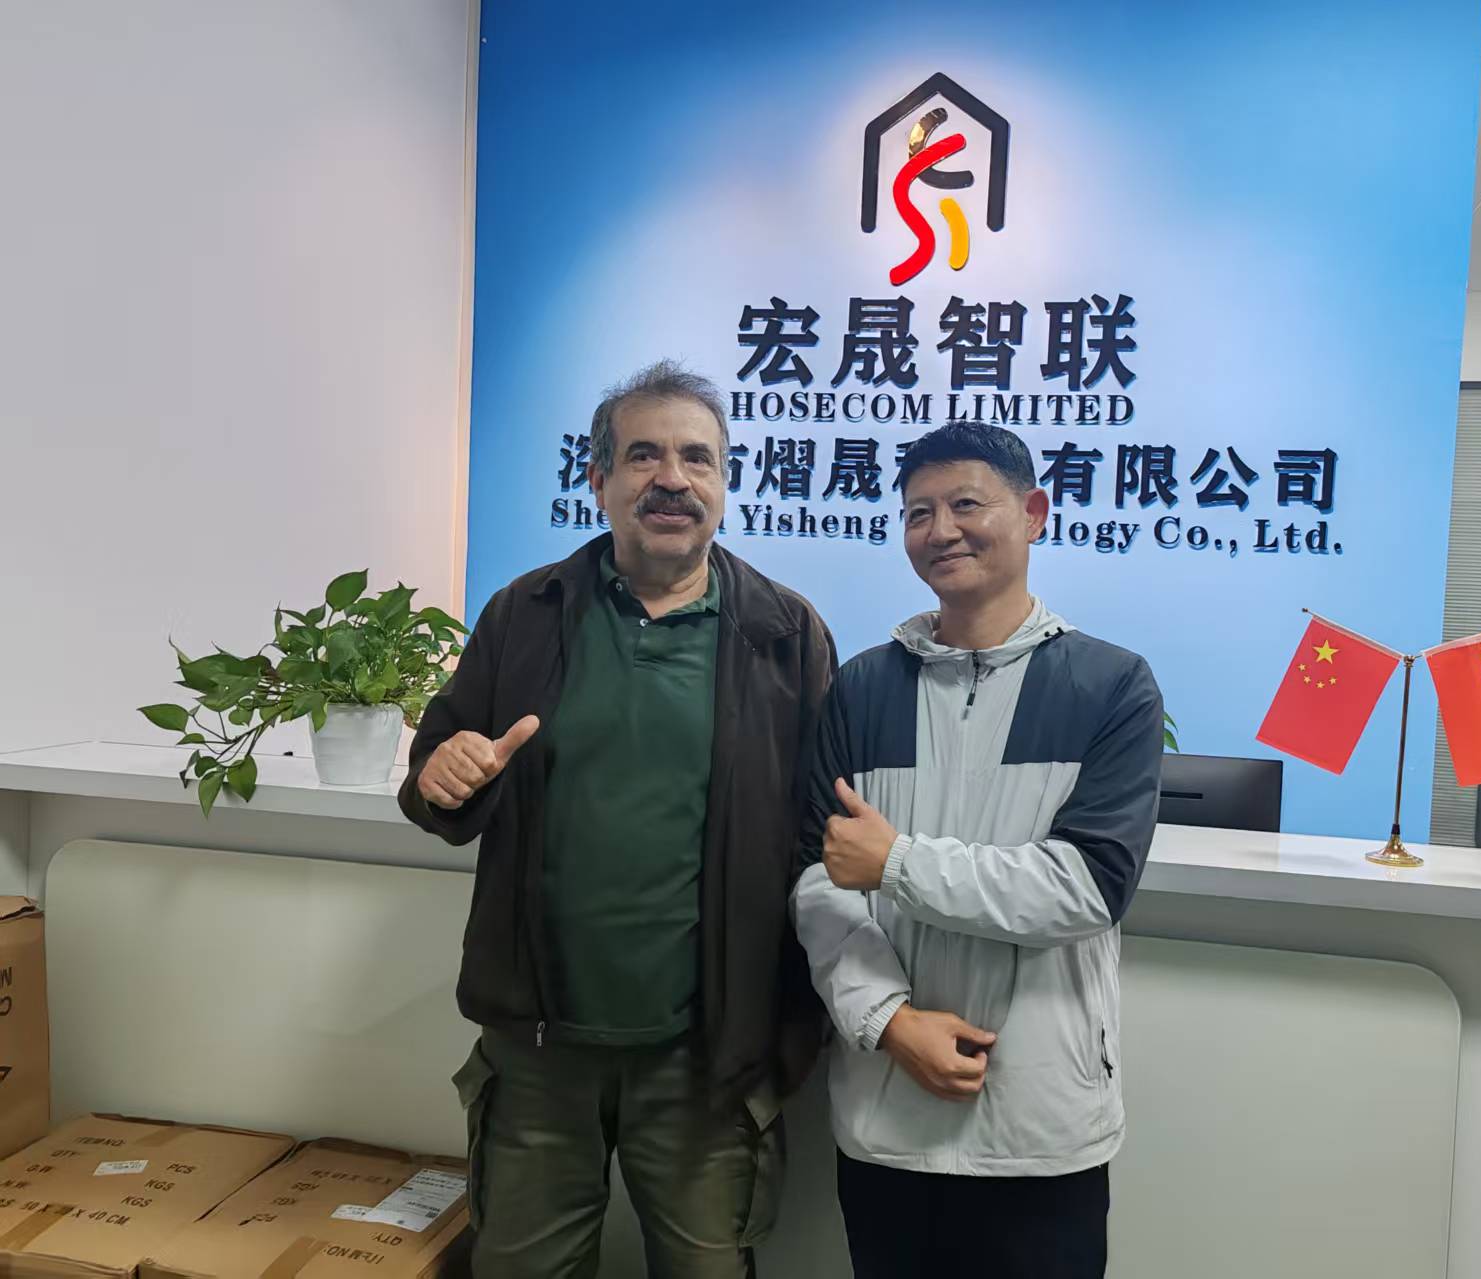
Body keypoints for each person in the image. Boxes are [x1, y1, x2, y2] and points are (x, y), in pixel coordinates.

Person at [400, 360, 836, 1278]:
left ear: (725, 481)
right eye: (643, 456)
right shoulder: (526, 613)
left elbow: (817, 841)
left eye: (697, 458)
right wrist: (441, 774)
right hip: (537, 1052)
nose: (671, 478)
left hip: (708, 1058)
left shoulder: (784, 634)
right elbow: (439, 766)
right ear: (598, 479)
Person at [792, 421, 1164, 1278]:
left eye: (966, 503)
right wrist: (888, 1022)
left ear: (1033, 513)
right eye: (918, 512)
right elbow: (819, 881)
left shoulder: (1110, 685)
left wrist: (898, 864)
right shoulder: (863, 687)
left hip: (1039, 1123)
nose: (941, 529)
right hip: (887, 1117)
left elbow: (1085, 886)